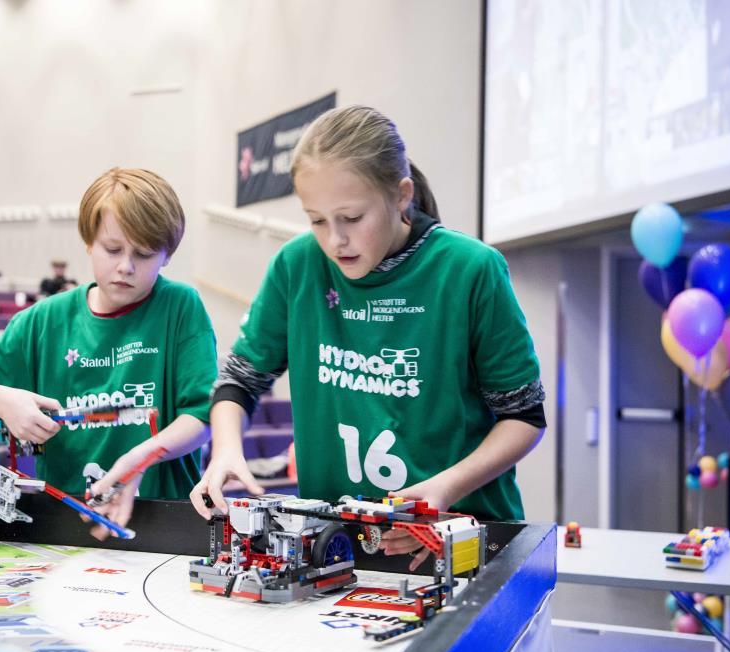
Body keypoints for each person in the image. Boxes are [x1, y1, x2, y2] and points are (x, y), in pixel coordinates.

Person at [190, 105, 545, 568]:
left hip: (458, 538)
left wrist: (443, 490)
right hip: (338, 544)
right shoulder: (296, 266)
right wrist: (226, 451)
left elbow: (524, 417)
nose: (335, 240)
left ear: (401, 196)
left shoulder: (470, 269)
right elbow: (239, 381)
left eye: (352, 218)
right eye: (316, 220)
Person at [0, 168, 217, 538]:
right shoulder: (45, 320)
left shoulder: (181, 307)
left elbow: (202, 417)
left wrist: (141, 457)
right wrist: (4, 402)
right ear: (88, 242)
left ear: (167, 255)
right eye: (112, 249)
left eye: (143, 253)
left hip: (163, 520)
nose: (125, 266)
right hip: (65, 524)